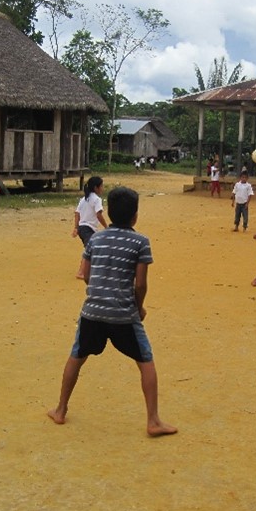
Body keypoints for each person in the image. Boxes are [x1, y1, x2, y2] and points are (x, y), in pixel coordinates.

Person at [47, 186, 178, 437]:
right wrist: (138, 307)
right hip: (123, 314)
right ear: (135, 216)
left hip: (92, 312)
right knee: (145, 361)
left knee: (77, 356)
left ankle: (61, 409)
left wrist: (98, 291)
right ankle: (153, 420)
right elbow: (140, 283)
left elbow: (86, 275)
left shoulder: (96, 239)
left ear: (109, 212)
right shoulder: (140, 242)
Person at [72, 176, 108, 279]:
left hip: (82, 228)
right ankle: (81, 272)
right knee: (89, 249)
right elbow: (99, 215)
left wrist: (76, 227)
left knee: (91, 248)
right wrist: (106, 226)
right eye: (101, 186)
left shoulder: (84, 199)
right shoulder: (97, 200)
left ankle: (89, 269)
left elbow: (77, 213)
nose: (102, 188)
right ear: (96, 188)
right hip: (88, 228)